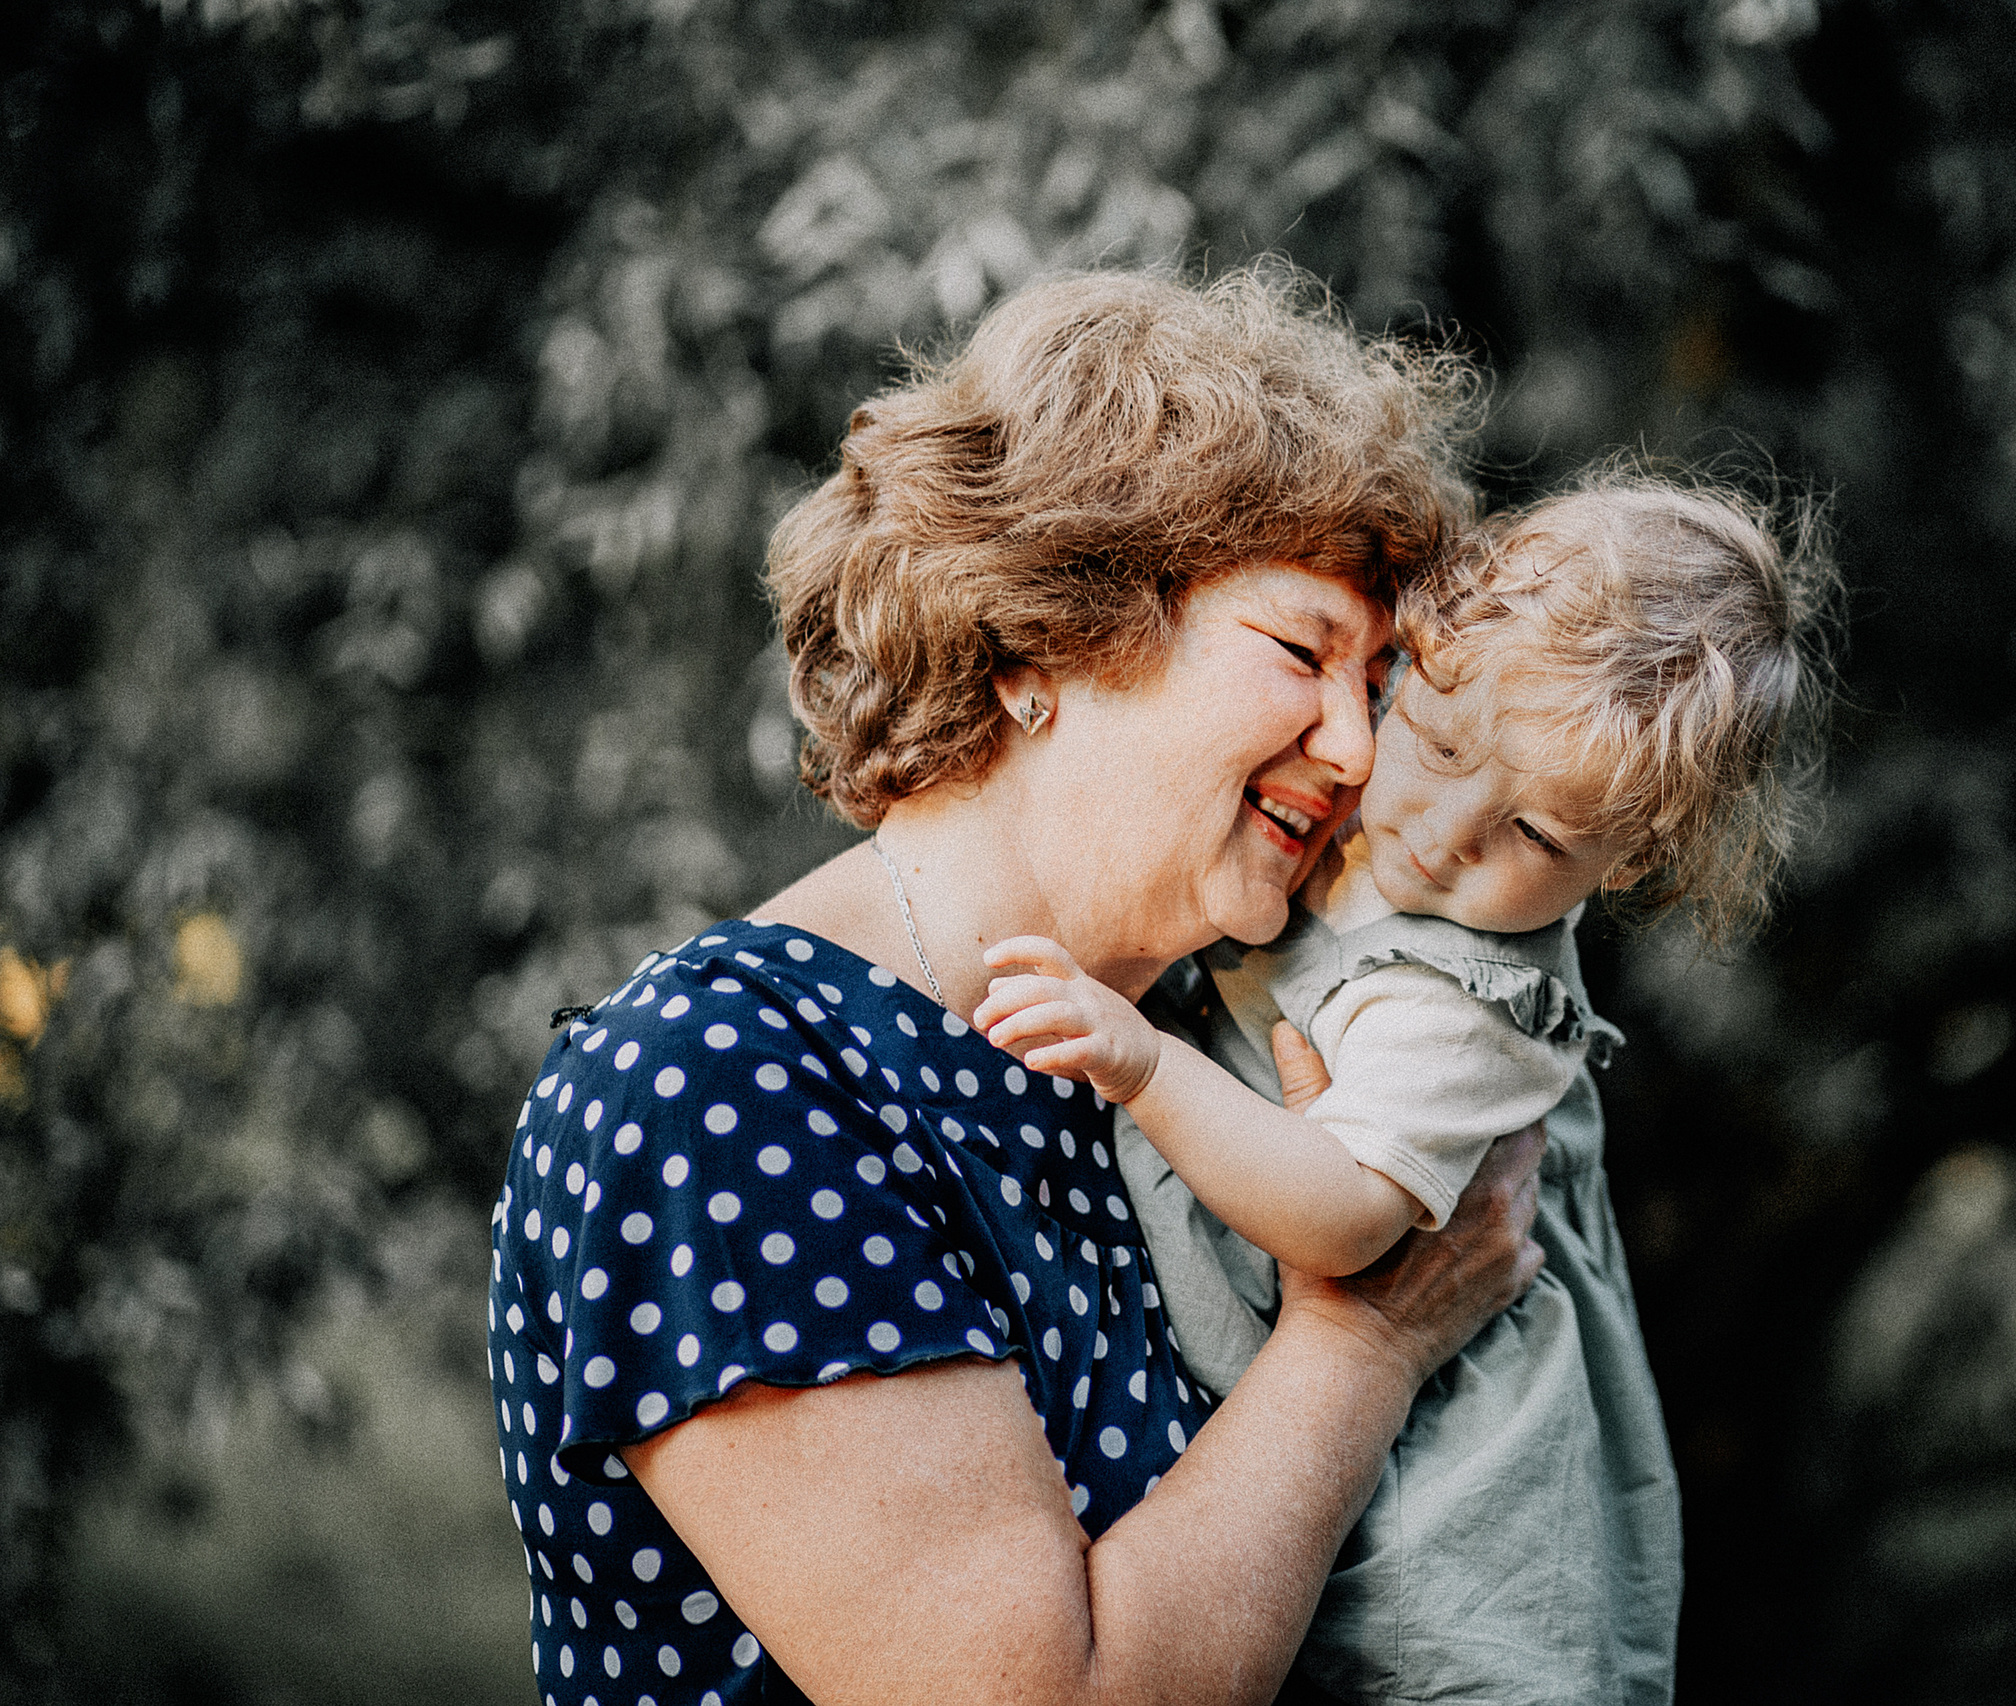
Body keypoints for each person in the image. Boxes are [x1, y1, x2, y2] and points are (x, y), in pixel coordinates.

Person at [486, 267, 1549, 1706]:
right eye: (1304, 651)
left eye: (1379, 684)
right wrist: (1362, 1339)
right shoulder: (726, 1079)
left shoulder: (1204, 1065)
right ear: (1052, 635)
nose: (1358, 750)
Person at [976, 474, 1832, 1704]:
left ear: (1628, 856)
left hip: (1462, 1533)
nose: (1440, 833)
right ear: (1413, 655)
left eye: (1534, 835)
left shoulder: (1464, 1000)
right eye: (1433, 742)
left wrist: (1147, 1060)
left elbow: (1339, 1216)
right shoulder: (1364, 821)